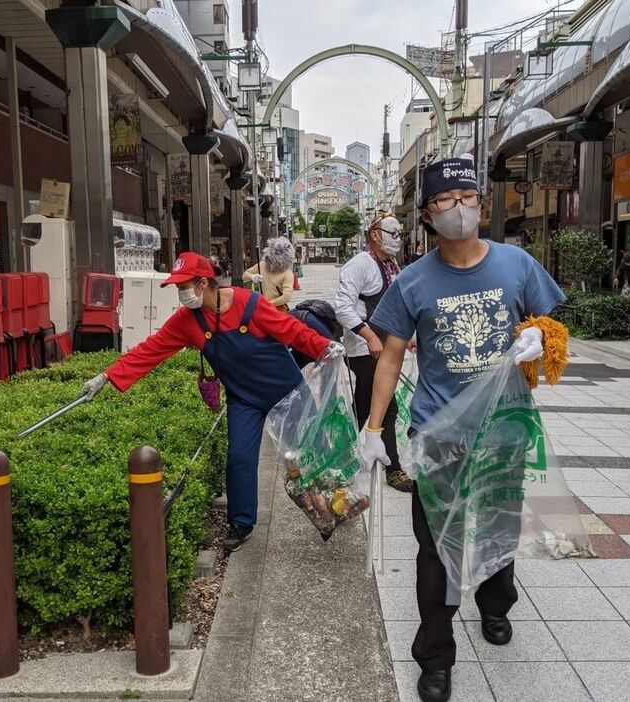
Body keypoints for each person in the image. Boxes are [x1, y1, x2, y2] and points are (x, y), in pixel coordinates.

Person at [362, 157, 566, 702]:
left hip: (504, 429)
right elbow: (388, 358)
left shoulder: (517, 265)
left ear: (481, 202)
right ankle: (435, 656)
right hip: (437, 434)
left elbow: (553, 329)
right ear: (427, 214)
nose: (459, 207)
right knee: (435, 549)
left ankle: (497, 603)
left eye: (467, 196)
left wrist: (538, 340)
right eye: (445, 200)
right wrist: (374, 428)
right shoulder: (411, 281)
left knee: (499, 529)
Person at [81, 252, 345, 553]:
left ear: (203, 283)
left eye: (184, 287)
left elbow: (292, 331)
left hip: (285, 390)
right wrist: (106, 376)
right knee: (239, 459)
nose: (181, 294)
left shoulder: (250, 304)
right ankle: (241, 522)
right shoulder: (187, 321)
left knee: (314, 447)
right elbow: (150, 349)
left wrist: (325, 346)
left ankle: (341, 499)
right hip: (243, 397)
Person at [335, 211, 413, 493]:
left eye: (398, 234)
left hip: (385, 347)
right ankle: (394, 470)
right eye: (391, 233)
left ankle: (335, 457)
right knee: (387, 405)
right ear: (374, 234)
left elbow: (398, 306)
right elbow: (342, 307)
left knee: (364, 406)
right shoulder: (360, 265)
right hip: (362, 349)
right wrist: (368, 336)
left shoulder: (392, 267)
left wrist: (409, 335)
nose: (396, 239)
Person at [243, 236, 295, 311]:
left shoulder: (287, 273)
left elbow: (286, 296)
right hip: (261, 307)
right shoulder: (262, 265)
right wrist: (252, 277)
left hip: (277, 309)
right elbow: (244, 275)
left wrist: (269, 303)